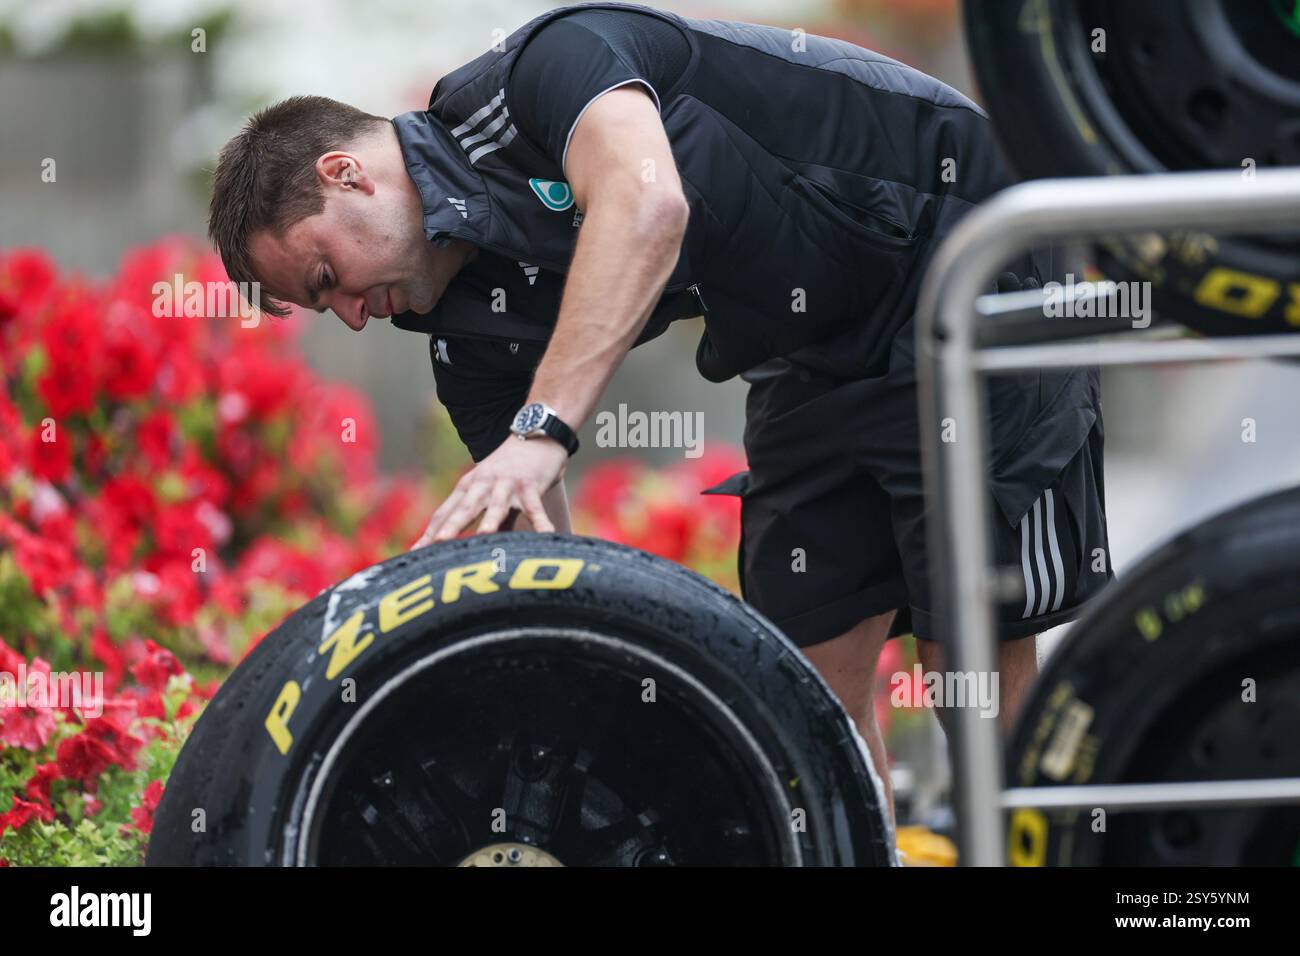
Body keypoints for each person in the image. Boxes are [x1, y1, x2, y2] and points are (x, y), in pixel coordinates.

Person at [207, 2, 1112, 820]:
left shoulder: (542, 71)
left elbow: (648, 203)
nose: (354, 316)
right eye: (326, 309)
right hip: (809, 349)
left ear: (347, 174)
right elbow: (543, 556)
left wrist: (542, 430)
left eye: (328, 279)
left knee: (969, 667)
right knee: (803, 694)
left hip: (963, 247)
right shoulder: (462, 339)